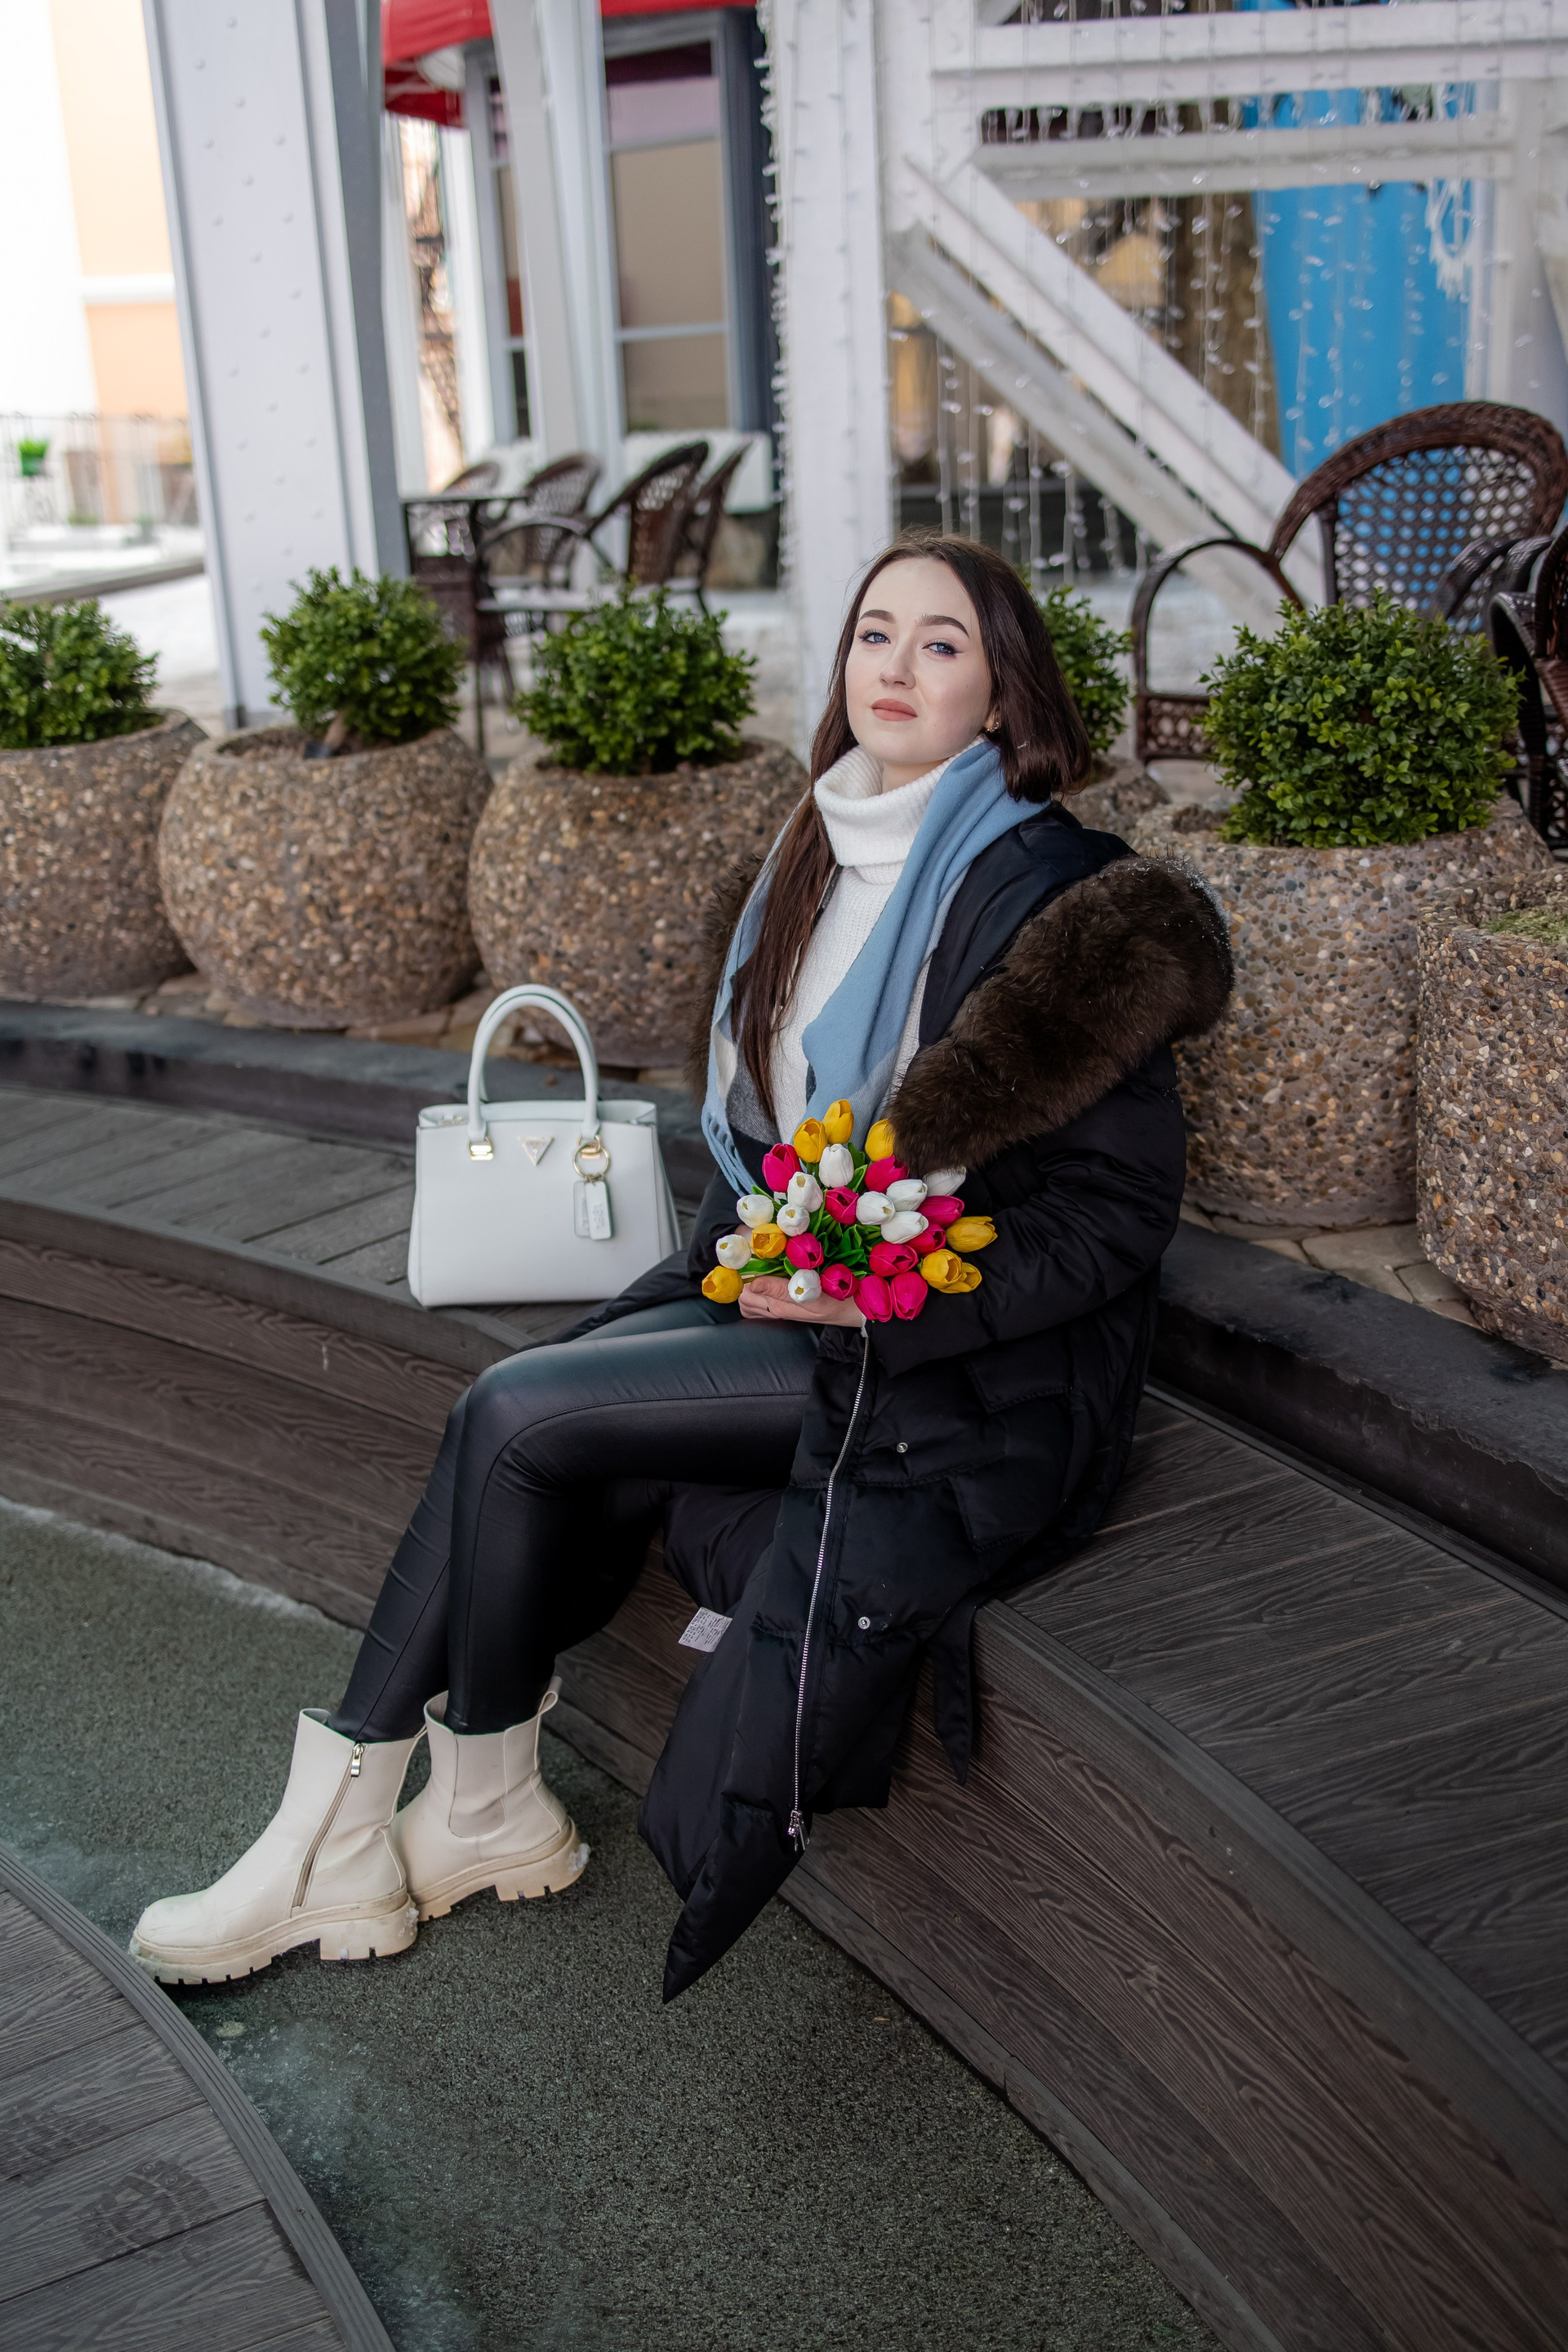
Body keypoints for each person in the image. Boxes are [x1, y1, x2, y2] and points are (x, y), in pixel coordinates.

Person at [131, 535, 1231, 1999]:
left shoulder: (1064, 901)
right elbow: (765, 1146)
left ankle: (355, 1832)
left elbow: (1113, 1219)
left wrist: (878, 1292)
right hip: (787, 1294)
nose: (897, 668)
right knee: (524, 1411)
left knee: (515, 1410)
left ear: (1004, 690)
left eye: (943, 644)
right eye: (875, 633)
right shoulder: (807, 859)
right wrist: (775, 1267)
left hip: (969, 1366)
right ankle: (473, 1810)